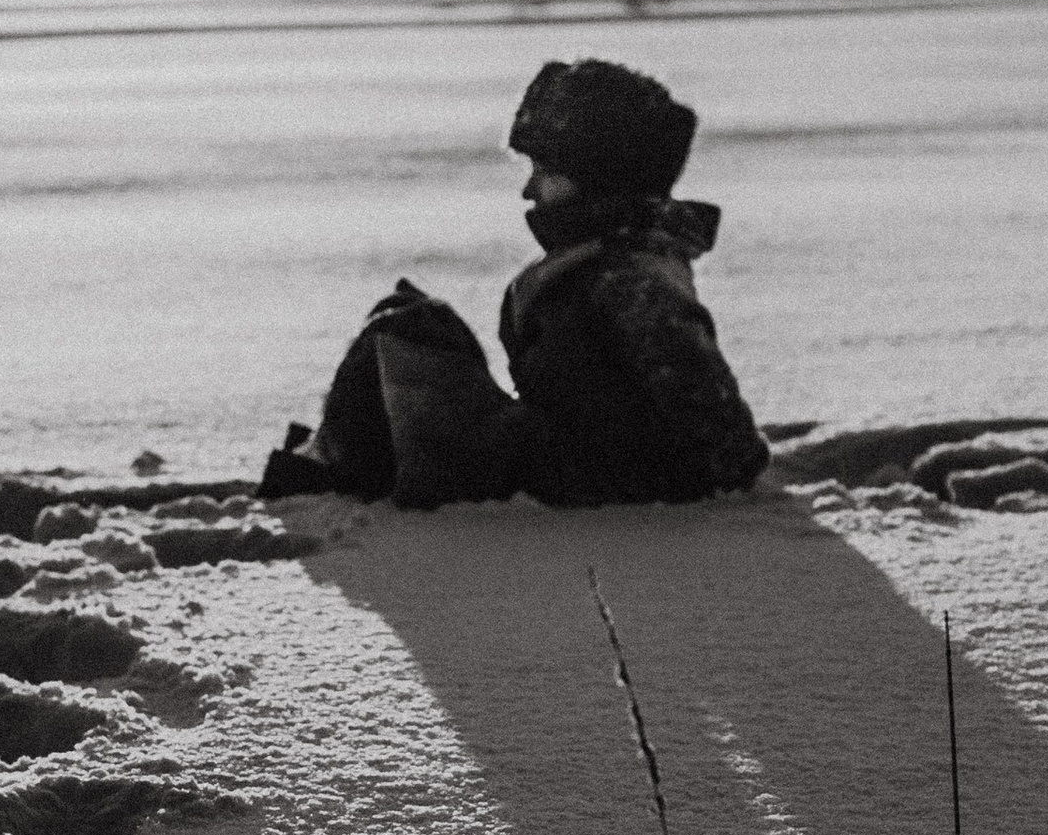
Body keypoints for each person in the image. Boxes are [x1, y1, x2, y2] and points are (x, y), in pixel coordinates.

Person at [261, 57, 771, 512]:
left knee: (408, 330)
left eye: (546, 171)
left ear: (600, 177)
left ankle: (317, 482)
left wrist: (611, 473)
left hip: (556, 476)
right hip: (549, 463)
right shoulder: (611, 261)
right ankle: (333, 470)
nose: (529, 188)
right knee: (409, 320)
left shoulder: (632, 281)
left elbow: (726, 441)